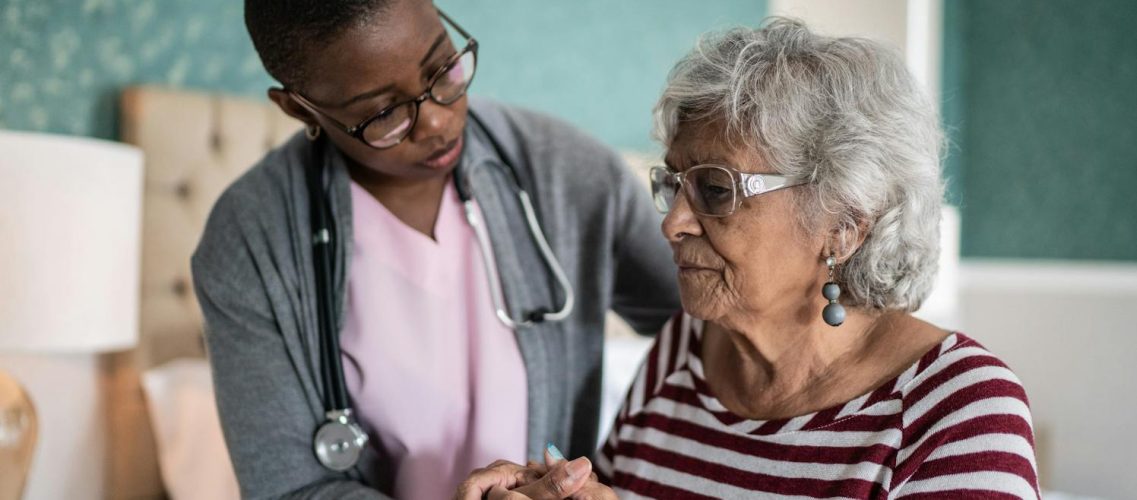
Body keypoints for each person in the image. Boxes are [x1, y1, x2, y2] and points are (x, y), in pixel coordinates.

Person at [457, 18, 1040, 499]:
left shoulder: (960, 410)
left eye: (715, 190)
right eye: (674, 184)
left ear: (842, 227)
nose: (672, 223)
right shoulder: (683, 353)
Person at [190, 0, 681, 498]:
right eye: (383, 113)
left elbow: (719, 326)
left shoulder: (569, 173)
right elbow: (290, 489)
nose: (436, 123)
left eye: (443, 69)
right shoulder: (250, 242)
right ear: (299, 108)